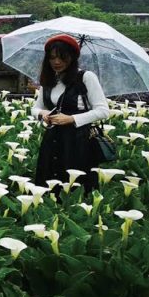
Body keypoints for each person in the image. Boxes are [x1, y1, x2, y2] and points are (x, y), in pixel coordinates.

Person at [32, 33, 110, 193]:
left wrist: (71, 119)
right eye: (52, 58)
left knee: (75, 185)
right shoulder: (49, 81)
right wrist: (42, 114)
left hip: (77, 141)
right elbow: (35, 108)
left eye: (62, 57)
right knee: (48, 184)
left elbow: (103, 111)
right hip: (52, 140)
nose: (56, 62)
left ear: (72, 57)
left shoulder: (85, 77)